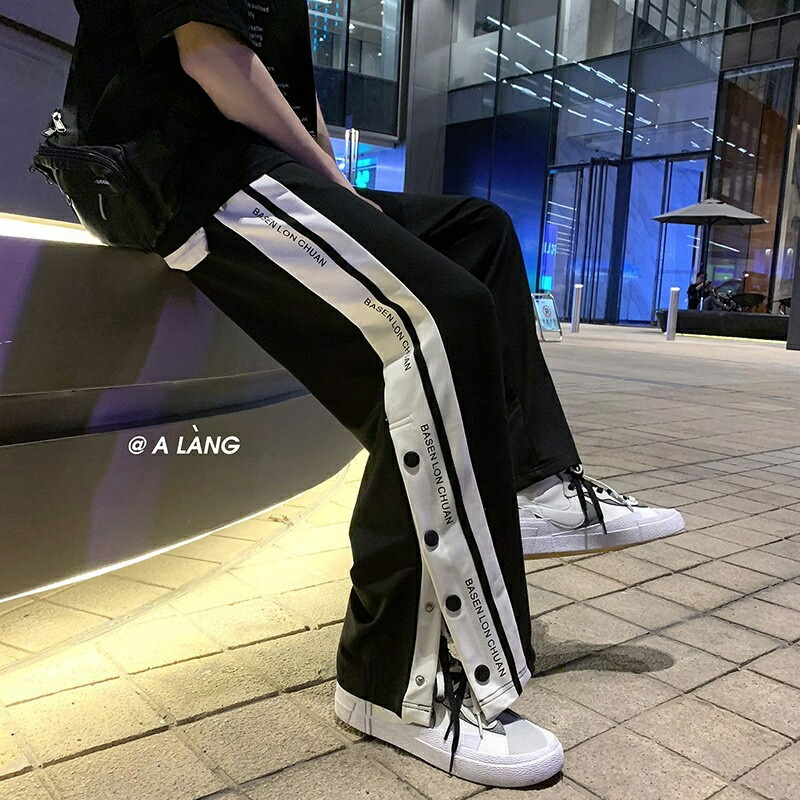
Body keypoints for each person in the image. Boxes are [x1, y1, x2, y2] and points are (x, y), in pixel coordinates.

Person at [64, 0, 685, 787]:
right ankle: (390, 684)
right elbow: (212, 59)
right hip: (187, 176)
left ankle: (531, 486)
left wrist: (336, 184)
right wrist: (333, 181)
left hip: (257, 165)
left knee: (479, 233)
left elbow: (291, 87)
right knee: (439, 320)